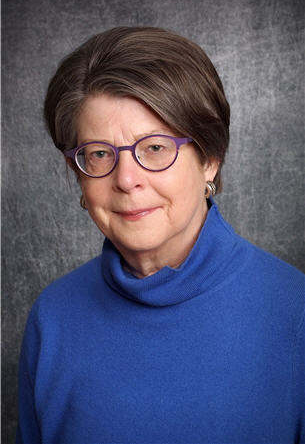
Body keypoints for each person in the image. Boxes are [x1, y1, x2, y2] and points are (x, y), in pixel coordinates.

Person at [16, 27, 304, 444]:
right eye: (99, 153)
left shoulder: (294, 313)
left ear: (209, 158)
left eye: (154, 147)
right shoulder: (53, 318)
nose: (127, 180)